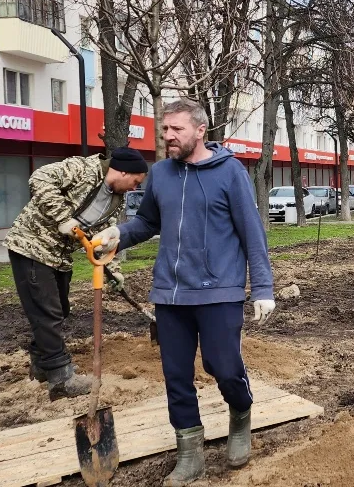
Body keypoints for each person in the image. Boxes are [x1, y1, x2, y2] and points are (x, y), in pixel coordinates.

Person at [94, 98, 274, 487]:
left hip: (219, 291)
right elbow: (147, 222)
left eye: (177, 129)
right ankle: (190, 455)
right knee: (176, 376)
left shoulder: (230, 172)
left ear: (200, 131)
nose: (168, 136)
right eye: (165, 129)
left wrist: (263, 287)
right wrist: (117, 234)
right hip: (170, 294)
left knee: (223, 367)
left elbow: (252, 231)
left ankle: (240, 415)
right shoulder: (161, 173)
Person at [3, 147, 148, 400]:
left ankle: (41, 366)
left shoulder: (116, 200)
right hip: (32, 246)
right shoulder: (83, 169)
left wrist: (113, 270)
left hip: (59, 256)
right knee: (47, 312)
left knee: (60, 309)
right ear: (123, 171)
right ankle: (60, 377)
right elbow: (39, 178)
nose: (134, 188)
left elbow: (102, 238)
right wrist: (63, 218)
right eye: (135, 182)